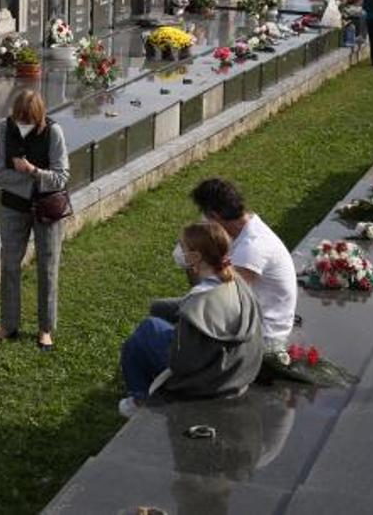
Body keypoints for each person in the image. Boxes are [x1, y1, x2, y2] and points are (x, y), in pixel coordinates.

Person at [118, 221, 264, 417]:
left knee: (144, 333)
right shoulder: (238, 283)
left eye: (183, 246)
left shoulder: (199, 299)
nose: (179, 251)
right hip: (237, 372)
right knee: (149, 328)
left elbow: (181, 363)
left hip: (207, 382)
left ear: (195, 257)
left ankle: (140, 399)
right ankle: (138, 398)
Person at [0, 89, 70, 350]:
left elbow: (61, 177)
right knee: (9, 265)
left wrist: (32, 171)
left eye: (28, 119)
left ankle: (46, 328)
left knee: (48, 267)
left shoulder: (53, 133)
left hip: (47, 210)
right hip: (13, 208)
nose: (23, 124)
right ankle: (9, 323)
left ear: (39, 117)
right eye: (20, 118)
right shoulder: (4, 129)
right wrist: (31, 184)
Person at [189, 178, 296, 353]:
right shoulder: (246, 231)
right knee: (166, 311)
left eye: (204, 215)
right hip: (249, 320)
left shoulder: (252, 248)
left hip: (262, 337)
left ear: (214, 216)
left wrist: (191, 262)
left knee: (153, 331)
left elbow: (219, 302)